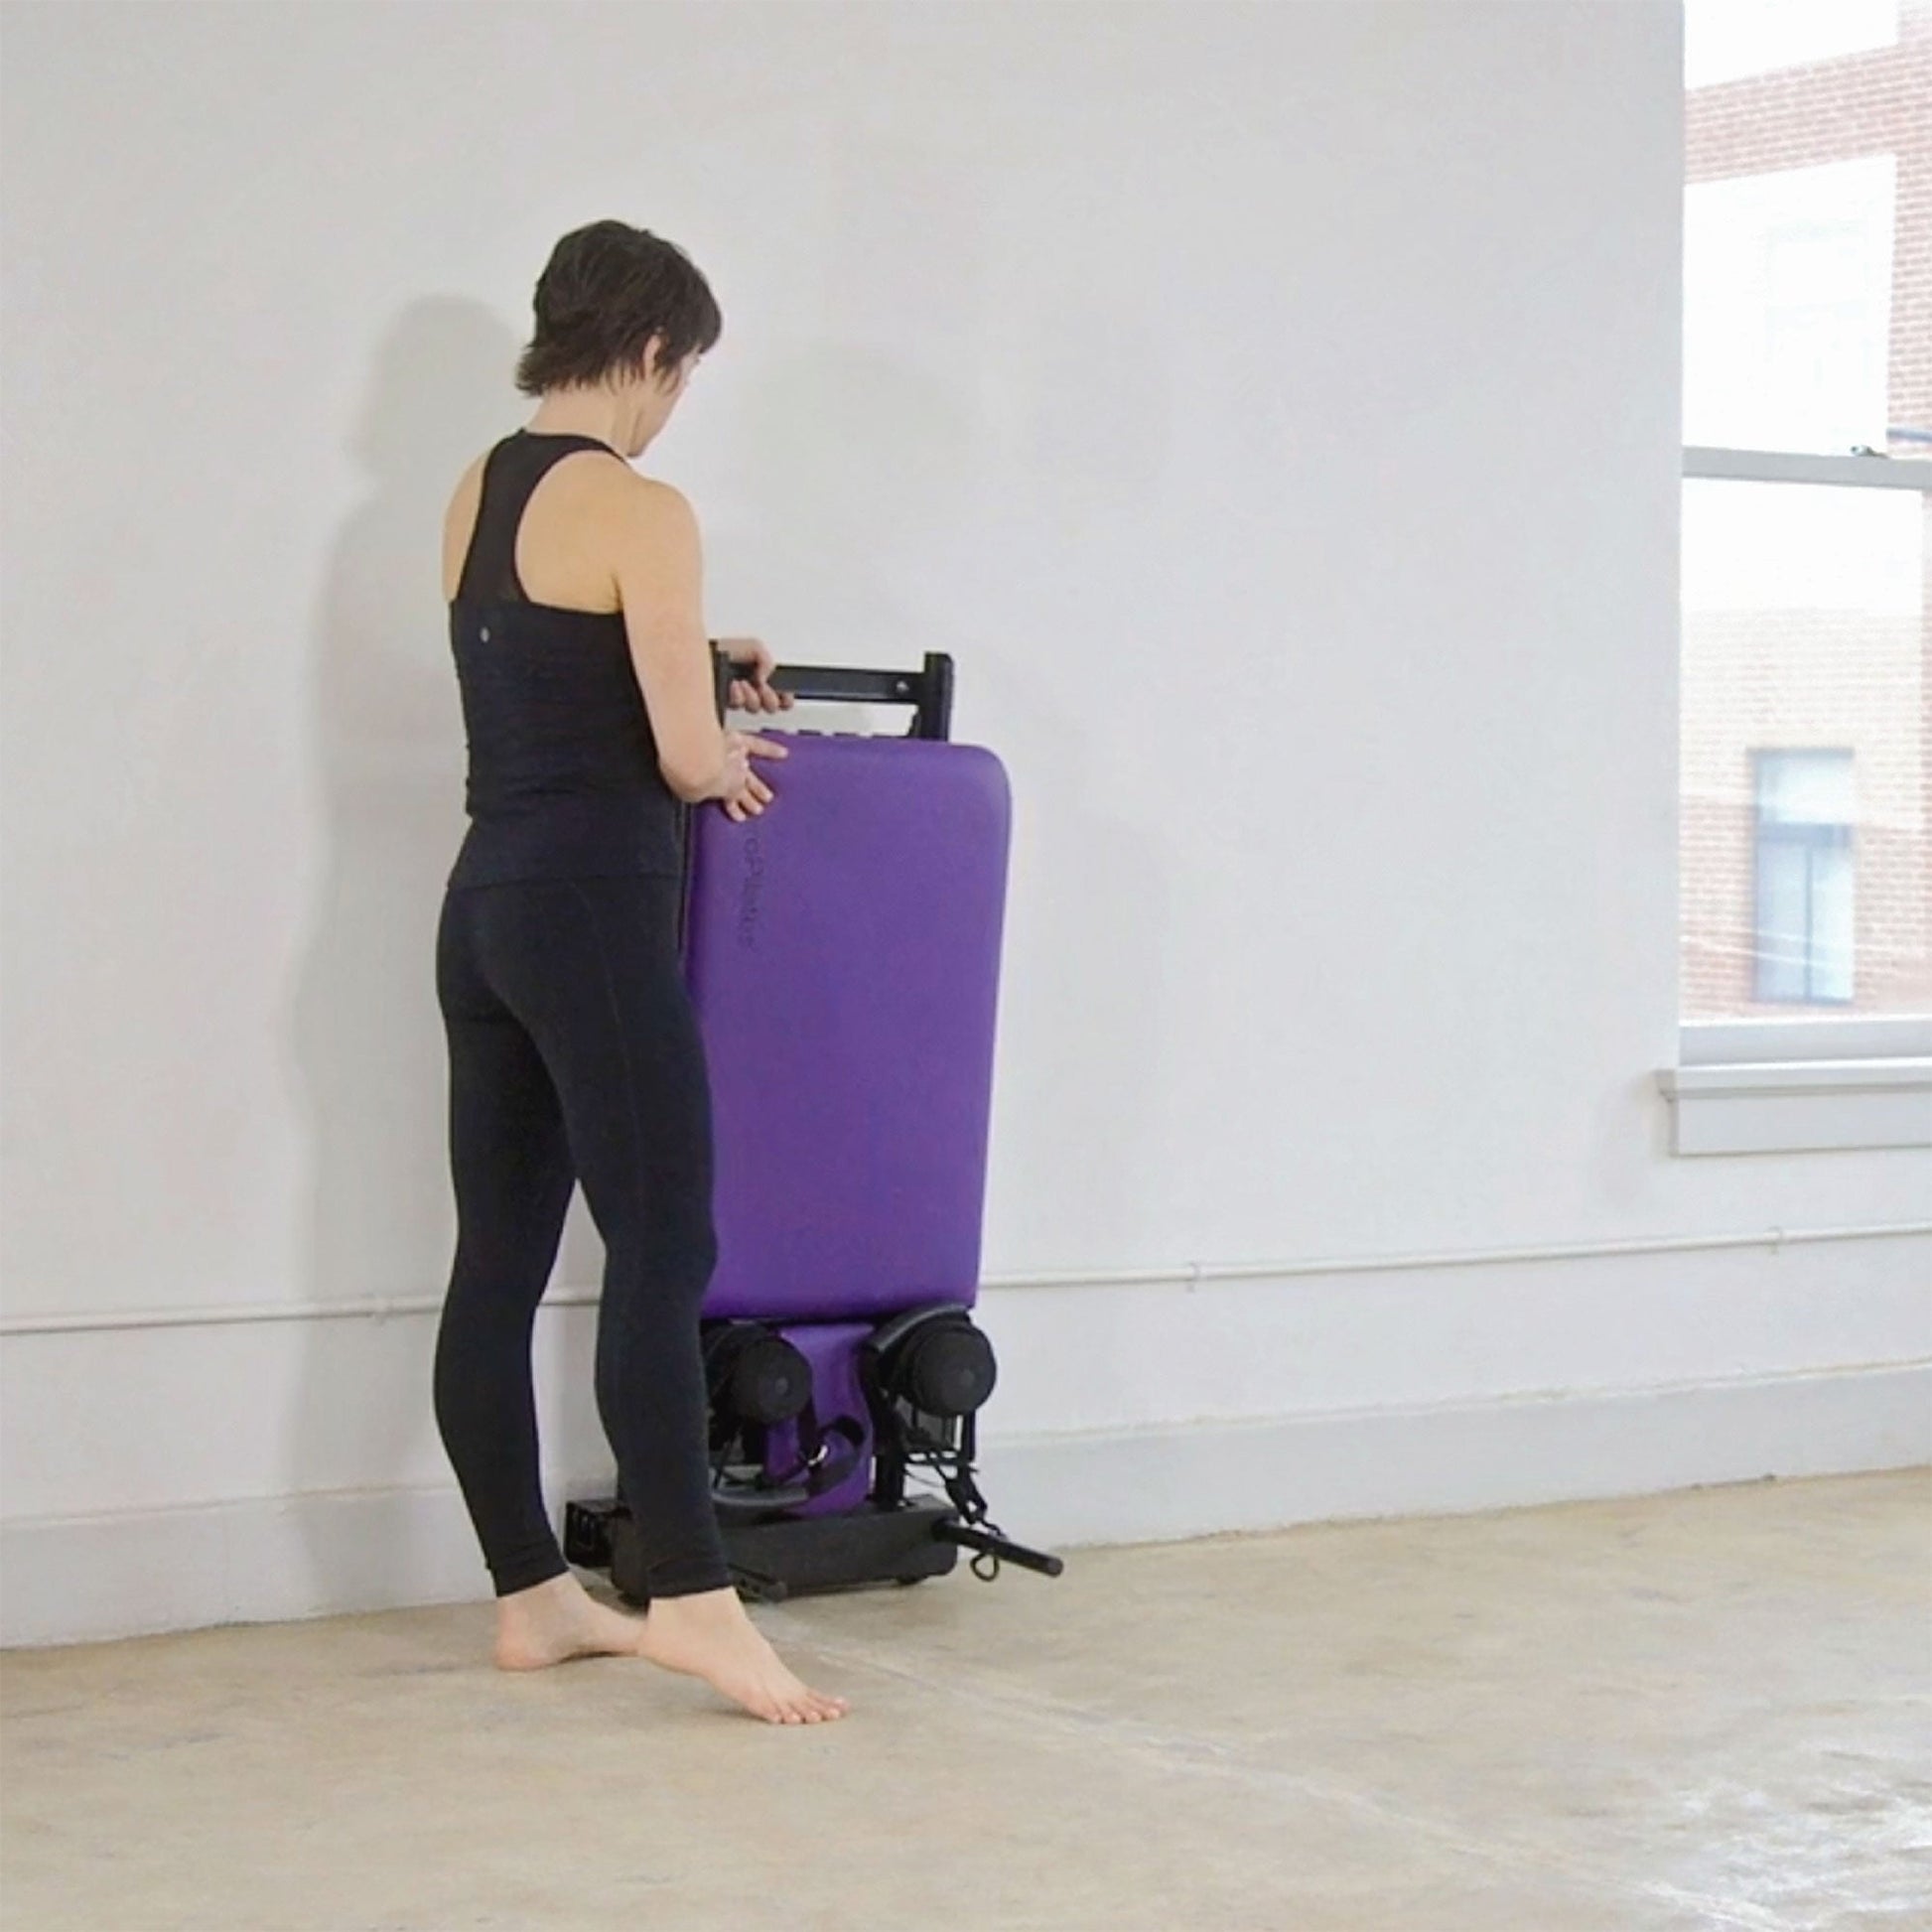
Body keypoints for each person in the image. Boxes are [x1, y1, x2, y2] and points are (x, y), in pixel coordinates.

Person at [432, 219, 849, 1725]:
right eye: (683, 378)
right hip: (593, 920)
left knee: (497, 1260)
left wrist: (697, 649)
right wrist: (723, 745)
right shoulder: (643, 505)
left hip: (486, 908)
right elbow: (681, 757)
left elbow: (557, 667)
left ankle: (534, 1596)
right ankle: (689, 1598)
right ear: (656, 351)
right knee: (664, 1243)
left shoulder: (480, 487)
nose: (674, 409)